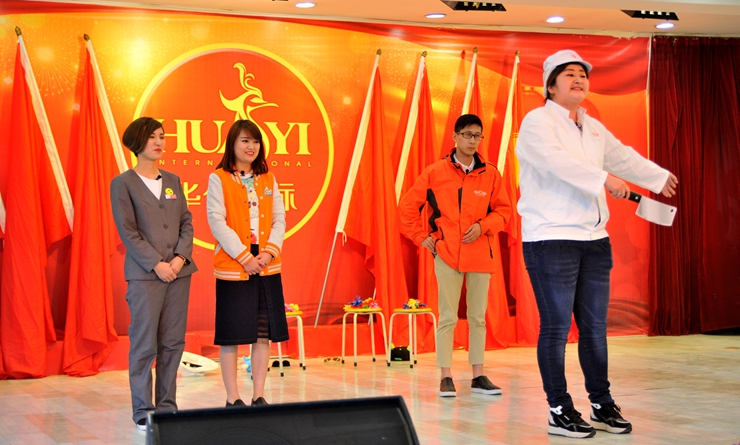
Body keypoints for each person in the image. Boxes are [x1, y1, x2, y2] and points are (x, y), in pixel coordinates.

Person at [516, 50, 678, 439]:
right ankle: (559, 409)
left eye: (583, 75)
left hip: (594, 240)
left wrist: (657, 178)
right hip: (552, 238)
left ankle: (602, 404)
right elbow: (557, 163)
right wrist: (603, 179)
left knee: (594, 328)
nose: (578, 80)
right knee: (556, 327)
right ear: (550, 85)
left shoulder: (591, 126)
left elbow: (622, 156)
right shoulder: (537, 122)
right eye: (569, 75)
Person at [399, 113, 511, 398]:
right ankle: (445, 375)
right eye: (467, 135)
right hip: (447, 253)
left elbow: (504, 212)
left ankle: (478, 375)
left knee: (478, 317)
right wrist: (422, 238)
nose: (473, 141)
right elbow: (407, 207)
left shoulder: (490, 173)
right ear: (455, 137)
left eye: (477, 136)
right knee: (447, 317)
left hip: (480, 253)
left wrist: (483, 226)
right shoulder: (435, 172)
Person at [110, 117, 197, 431]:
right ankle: (143, 410)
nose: (159, 142)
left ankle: (167, 407)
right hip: (146, 275)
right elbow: (128, 232)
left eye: (162, 136)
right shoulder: (123, 183)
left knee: (173, 343)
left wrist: (180, 258)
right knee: (144, 344)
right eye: (152, 137)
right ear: (137, 142)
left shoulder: (173, 179)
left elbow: (186, 222)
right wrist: (157, 263)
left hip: (179, 273)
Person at [207, 119, 288, 407]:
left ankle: (259, 395)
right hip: (234, 264)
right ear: (232, 144)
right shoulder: (219, 178)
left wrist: (269, 253)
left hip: (266, 264)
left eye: (255, 141)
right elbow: (216, 221)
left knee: (262, 334)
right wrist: (244, 257)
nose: (250, 146)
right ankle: (233, 398)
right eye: (244, 140)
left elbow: (279, 219)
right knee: (231, 335)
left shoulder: (268, 178)